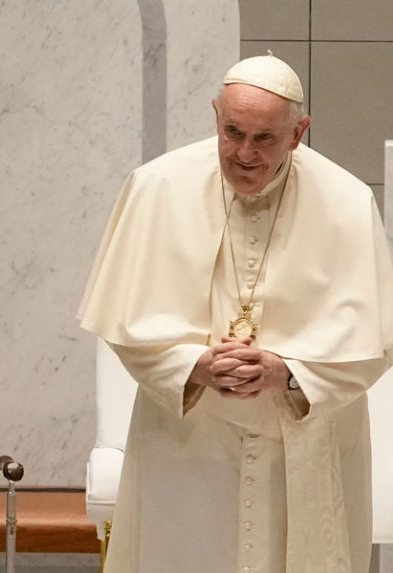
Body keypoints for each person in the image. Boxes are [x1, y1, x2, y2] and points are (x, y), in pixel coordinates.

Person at [79, 53, 393, 573]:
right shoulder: (157, 187)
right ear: (215, 116)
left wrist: (288, 373)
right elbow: (125, 326)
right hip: (189, 444)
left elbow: (375, 344)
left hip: (298, 448)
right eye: (232, 132)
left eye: (265, 139)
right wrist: (194, 366)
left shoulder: (347, 202)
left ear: (298, 133)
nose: (244, 154)